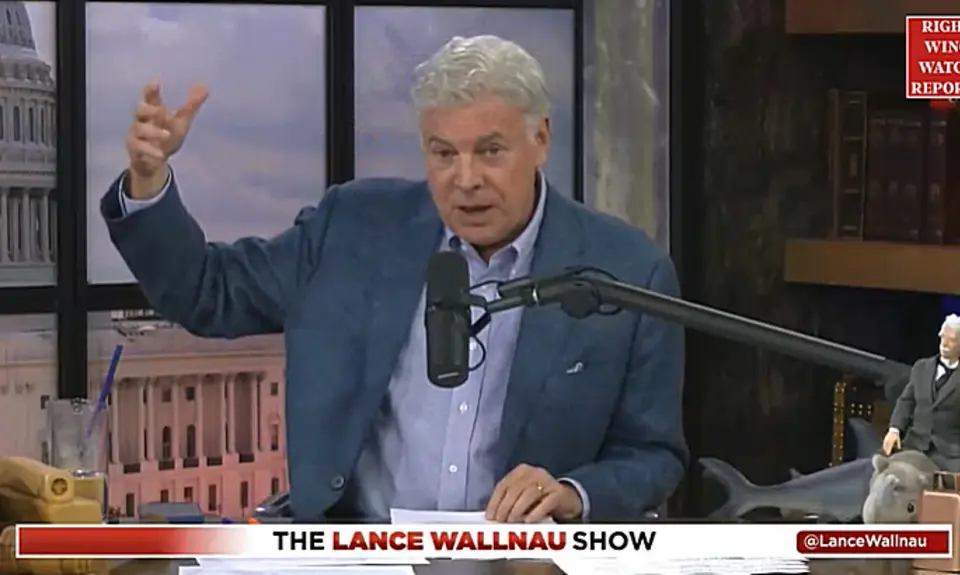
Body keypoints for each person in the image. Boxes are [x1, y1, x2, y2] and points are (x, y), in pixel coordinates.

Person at [102, 35, 687, 522]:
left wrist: (573, 495)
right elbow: (207, 293)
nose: (465, 179)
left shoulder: (626, 272)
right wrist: (149, 182)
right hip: (358, 553)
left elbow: (653, 454)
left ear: (541, 139)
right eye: (443, 153)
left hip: (523, 564)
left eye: (490, 151)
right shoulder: (352, 229)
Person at [884, 314, 960, 471]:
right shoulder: (921, 368)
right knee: (882, 467)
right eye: (943, 337)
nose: (944, 344)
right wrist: (894, 430)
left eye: (951, 340)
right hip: (915, 444)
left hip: (950, 453)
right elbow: (906, 401)